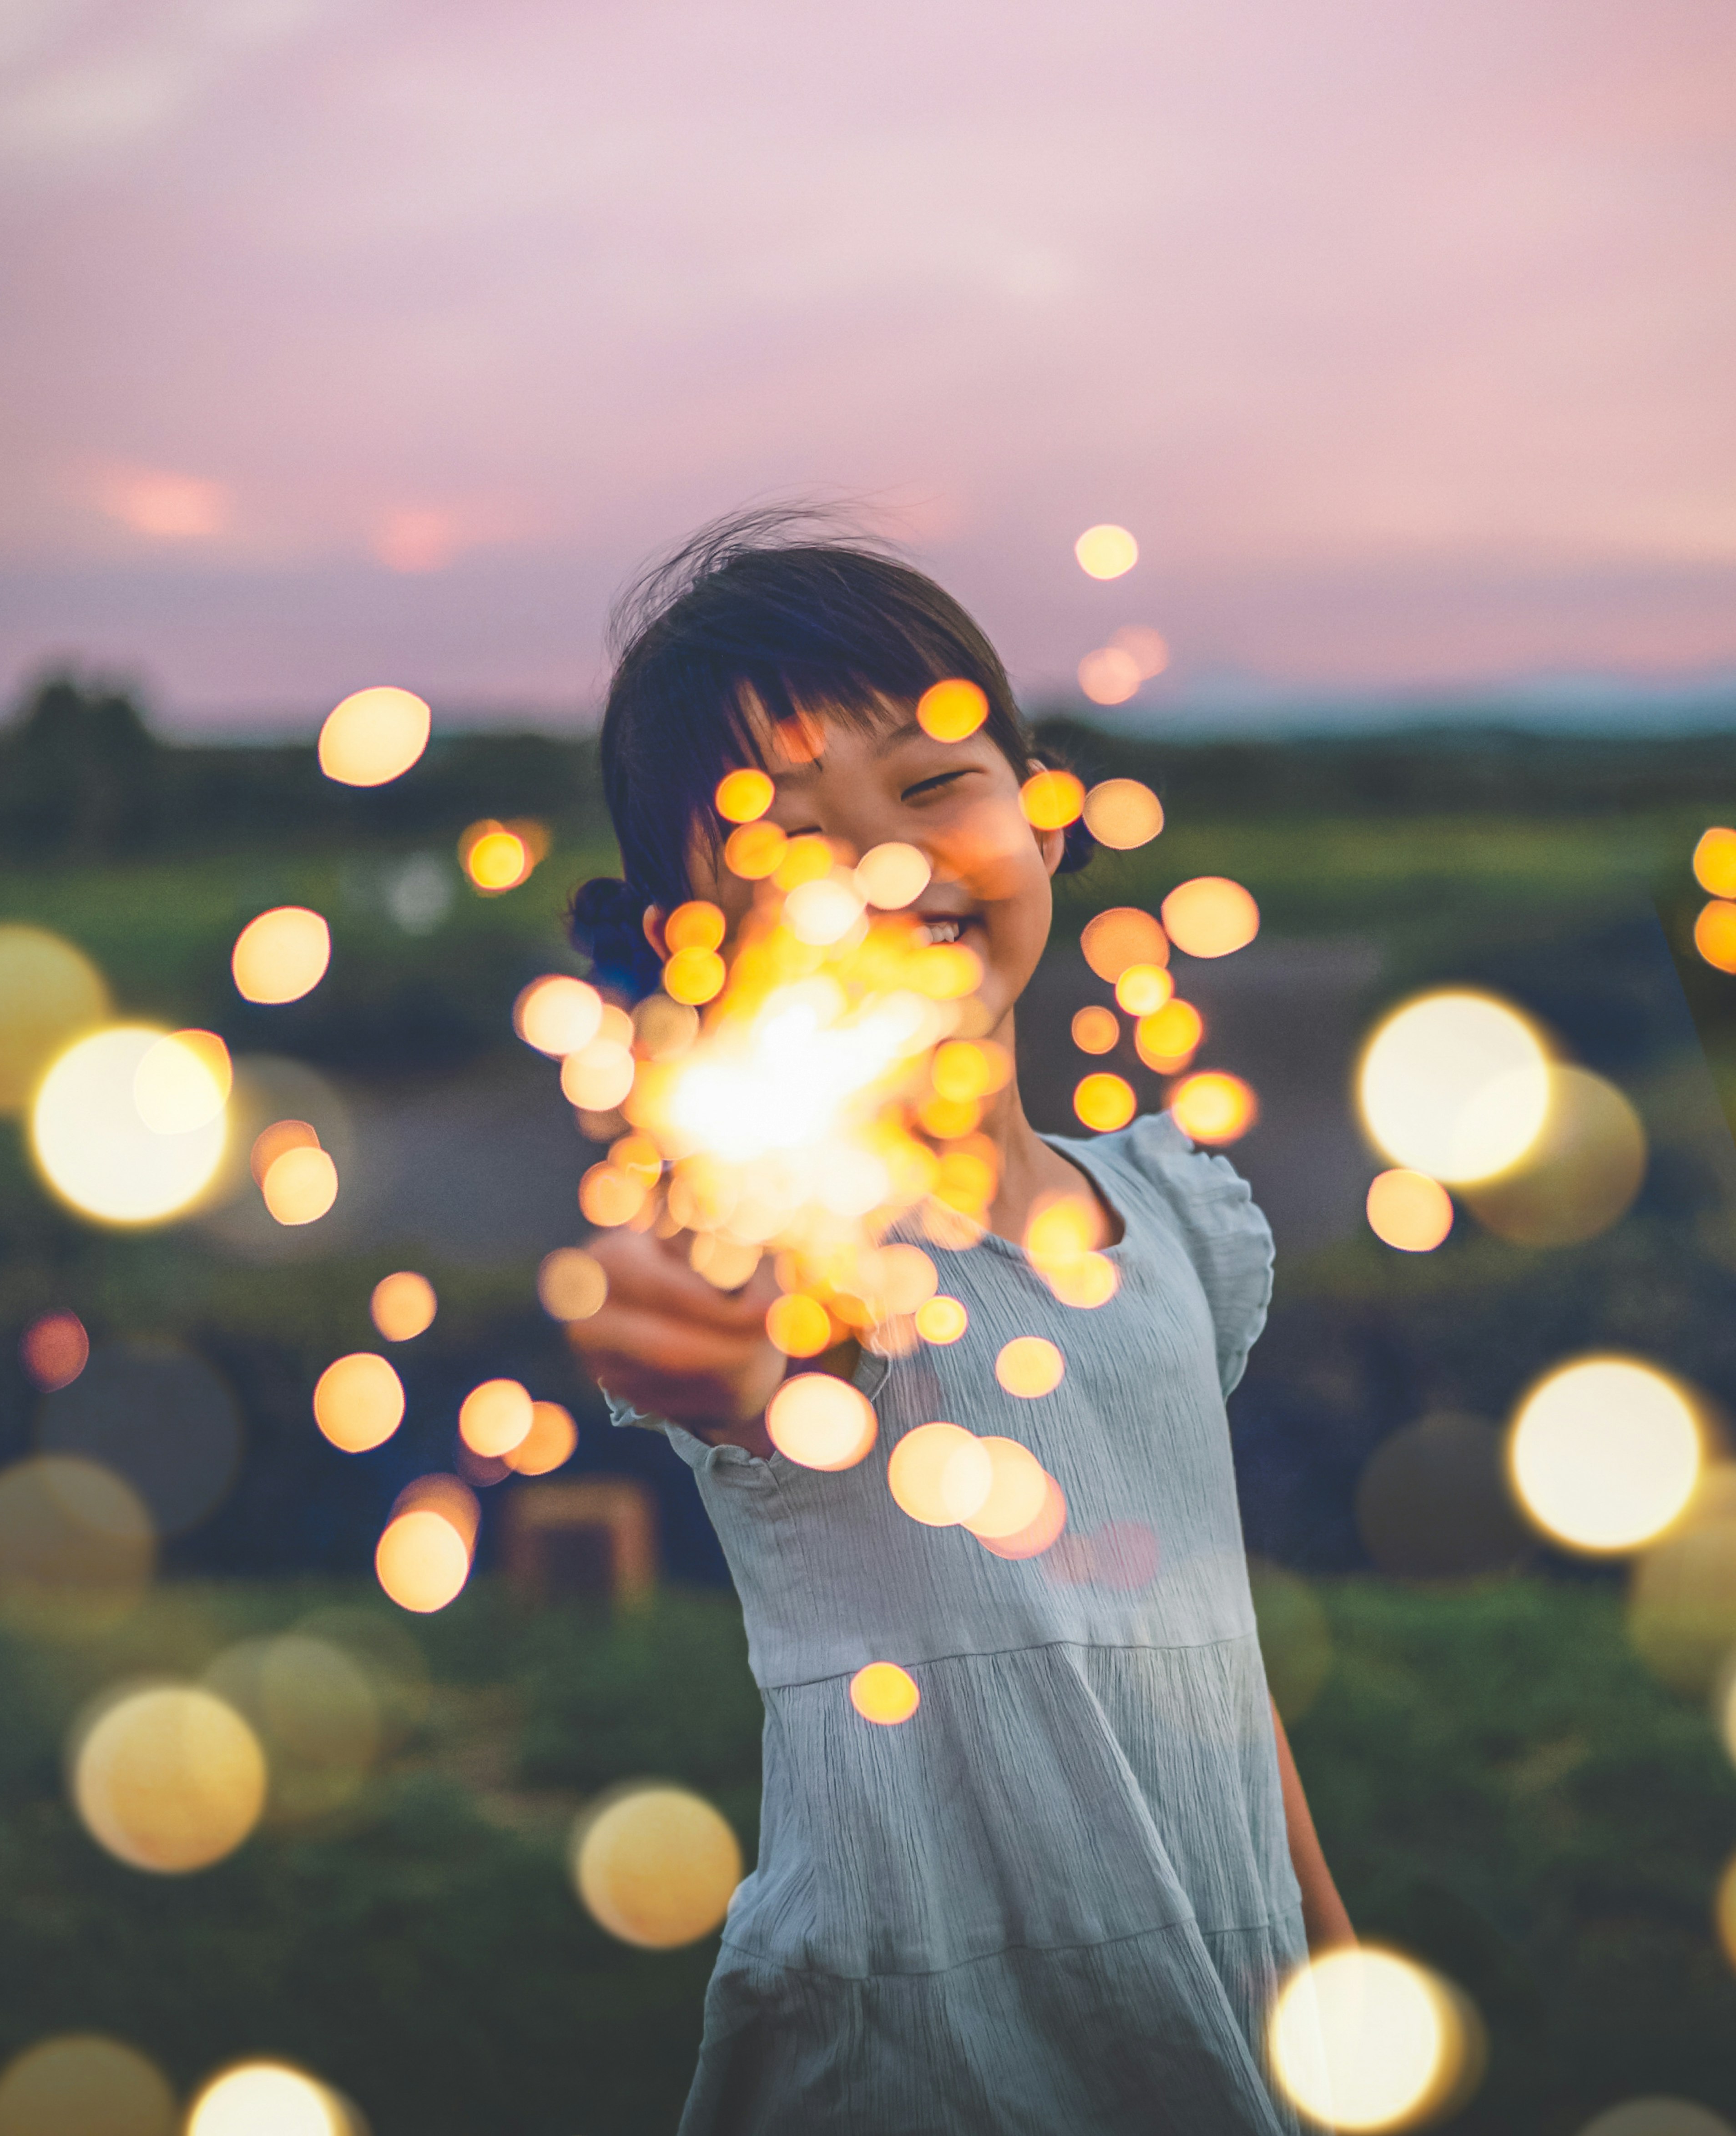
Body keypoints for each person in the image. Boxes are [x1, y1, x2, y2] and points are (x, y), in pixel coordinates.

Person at [566, 509, 1352, 2134]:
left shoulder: (1174, 1221)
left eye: (935, 788)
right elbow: (742, 1325)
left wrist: (1330, 1970)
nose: (893, 867)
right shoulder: (807, 1231)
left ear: (1045, 818)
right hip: (920, 2064)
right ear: (688, 945)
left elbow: (1211, 1653)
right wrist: (694, 1298)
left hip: (1225, 2023)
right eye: (786, 841)